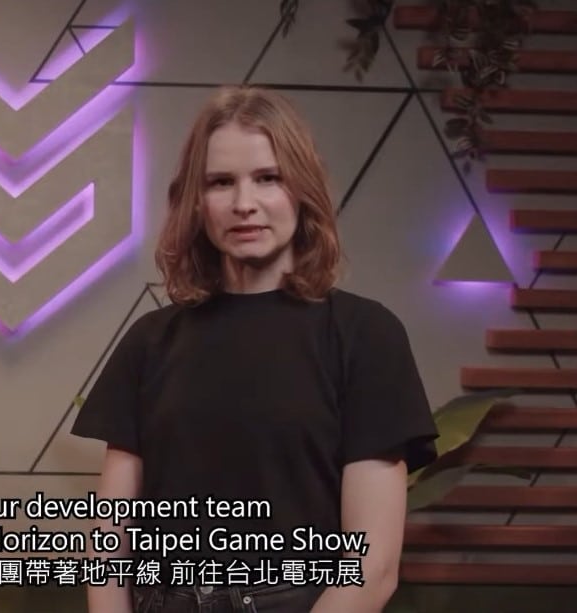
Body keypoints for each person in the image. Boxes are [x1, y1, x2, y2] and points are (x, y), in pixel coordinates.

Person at [71, 86, 438, 613]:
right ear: (197, 201)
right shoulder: (149, 341)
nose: (244, 204)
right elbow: (110, 545)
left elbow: (372, 568)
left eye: (268, 177)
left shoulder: (365, 334)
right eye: (221, 182)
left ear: (302, 189)